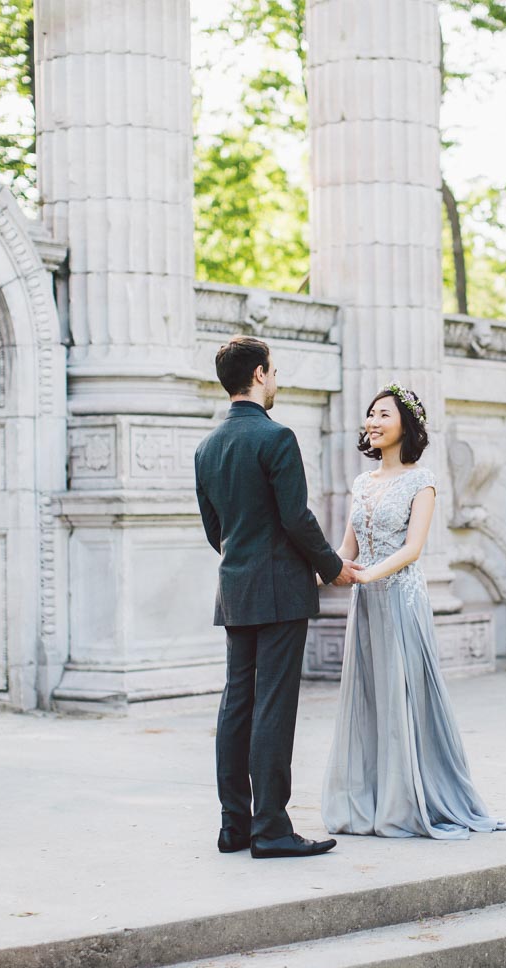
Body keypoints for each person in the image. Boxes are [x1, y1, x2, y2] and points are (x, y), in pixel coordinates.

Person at [321, 383, 506, 839]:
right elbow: (345, 549)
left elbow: (413, 550)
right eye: (370, 414)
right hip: (366, 604)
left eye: (383, 415)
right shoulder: (361, 483)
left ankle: (408, 800)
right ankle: (368, 801)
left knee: (402, 695)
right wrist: (317, 572)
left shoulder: (422, 480)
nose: (372, 421)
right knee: (369, 696)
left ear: (405, 426)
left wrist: (368, 575)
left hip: (401, 600)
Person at [194, 336, 363, 860]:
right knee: (273, 705)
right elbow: (296, 517)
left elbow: (214, 530)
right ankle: (270, 827)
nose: (276, 380)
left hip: (235, 588)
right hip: (280, 591)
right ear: (262, 374)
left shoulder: (207, 447)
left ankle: (233, 826)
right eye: (275, 372)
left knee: (236, 702)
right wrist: (333, 568)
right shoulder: (276, 437)